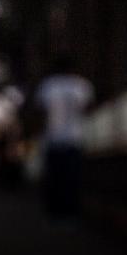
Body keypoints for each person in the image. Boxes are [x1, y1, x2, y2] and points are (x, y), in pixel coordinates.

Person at [36, 54, 94, 218]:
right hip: (74, 138)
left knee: (55, 179)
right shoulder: (82, 85)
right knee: (72, 179)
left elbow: (41, 112)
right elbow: (88, 109)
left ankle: (55, 213)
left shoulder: (48, 86)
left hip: (53, 138)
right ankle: (71, 213)